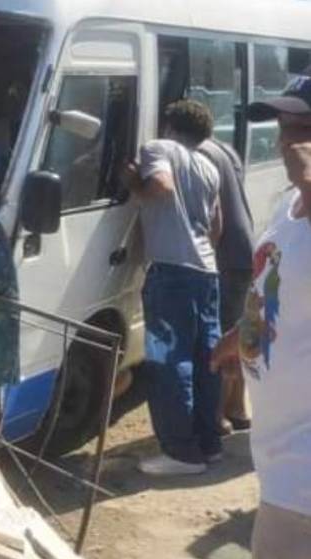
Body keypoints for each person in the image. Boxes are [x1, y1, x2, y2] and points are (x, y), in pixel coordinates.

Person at [211, 69, 311, 559]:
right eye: (283, 125)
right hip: (277, 459)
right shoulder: (286, 206)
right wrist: (241, 335)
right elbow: (273, 280)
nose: (287, 139)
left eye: (303, 127)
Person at [122, 99, 223, 476]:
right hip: (206, 273)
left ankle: (181, 453)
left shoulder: (158, 148)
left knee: (169, 361)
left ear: (170, 125)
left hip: (170, 272)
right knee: (205, 360)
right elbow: (216, 226)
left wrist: (134, 184)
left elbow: (161, 187)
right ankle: (209, 444)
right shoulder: (209, 167)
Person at [197, 137, 255, 433]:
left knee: (222, 338)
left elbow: (213, 215)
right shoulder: (222, 148)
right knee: (238, 332)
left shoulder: (197, 154)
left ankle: (217, 416)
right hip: (244, 248)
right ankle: (238, 409)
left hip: (225, 256)